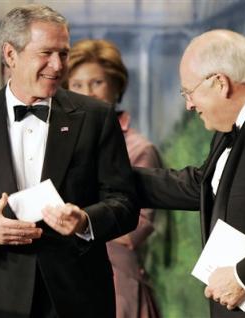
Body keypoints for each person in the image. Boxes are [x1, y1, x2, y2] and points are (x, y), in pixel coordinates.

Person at [0, 4, 138, 318]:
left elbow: (125, 202)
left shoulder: (96, 117)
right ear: (10, 55)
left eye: (63, 53)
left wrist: (85, 221)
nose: (58, 65)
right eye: (46, 53)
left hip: (79, 295)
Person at [133, 29, 245, 318]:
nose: (188, 104)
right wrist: (112, 175)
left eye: (188, 91)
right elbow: (205, 184)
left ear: (220, 83)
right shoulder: (238, 122)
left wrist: (243, 277)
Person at [66, 39, 162, 318]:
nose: (87, 93)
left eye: (96, 82)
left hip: (117, 281)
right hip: (67, 278)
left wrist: (78, 219)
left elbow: (136, 229)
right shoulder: (56, 145)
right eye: (77, 84)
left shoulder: (139, 148)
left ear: (116, 86)